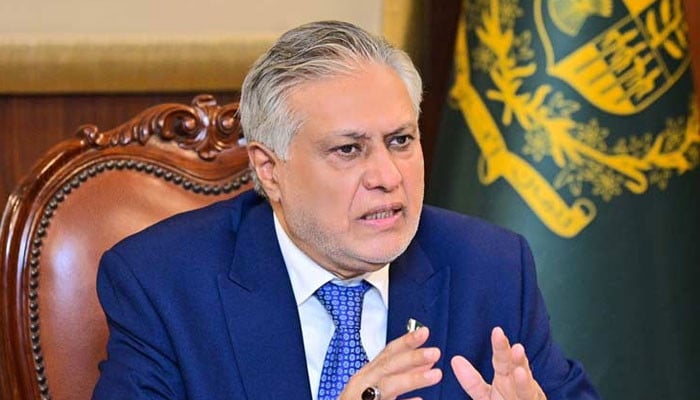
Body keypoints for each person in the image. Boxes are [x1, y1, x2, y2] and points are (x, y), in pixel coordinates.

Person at [92, 20, 600, 400]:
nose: (387, 176)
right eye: (349, 149)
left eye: (400, 140)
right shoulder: (164, 282)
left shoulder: (490, 268)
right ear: (270, 169)